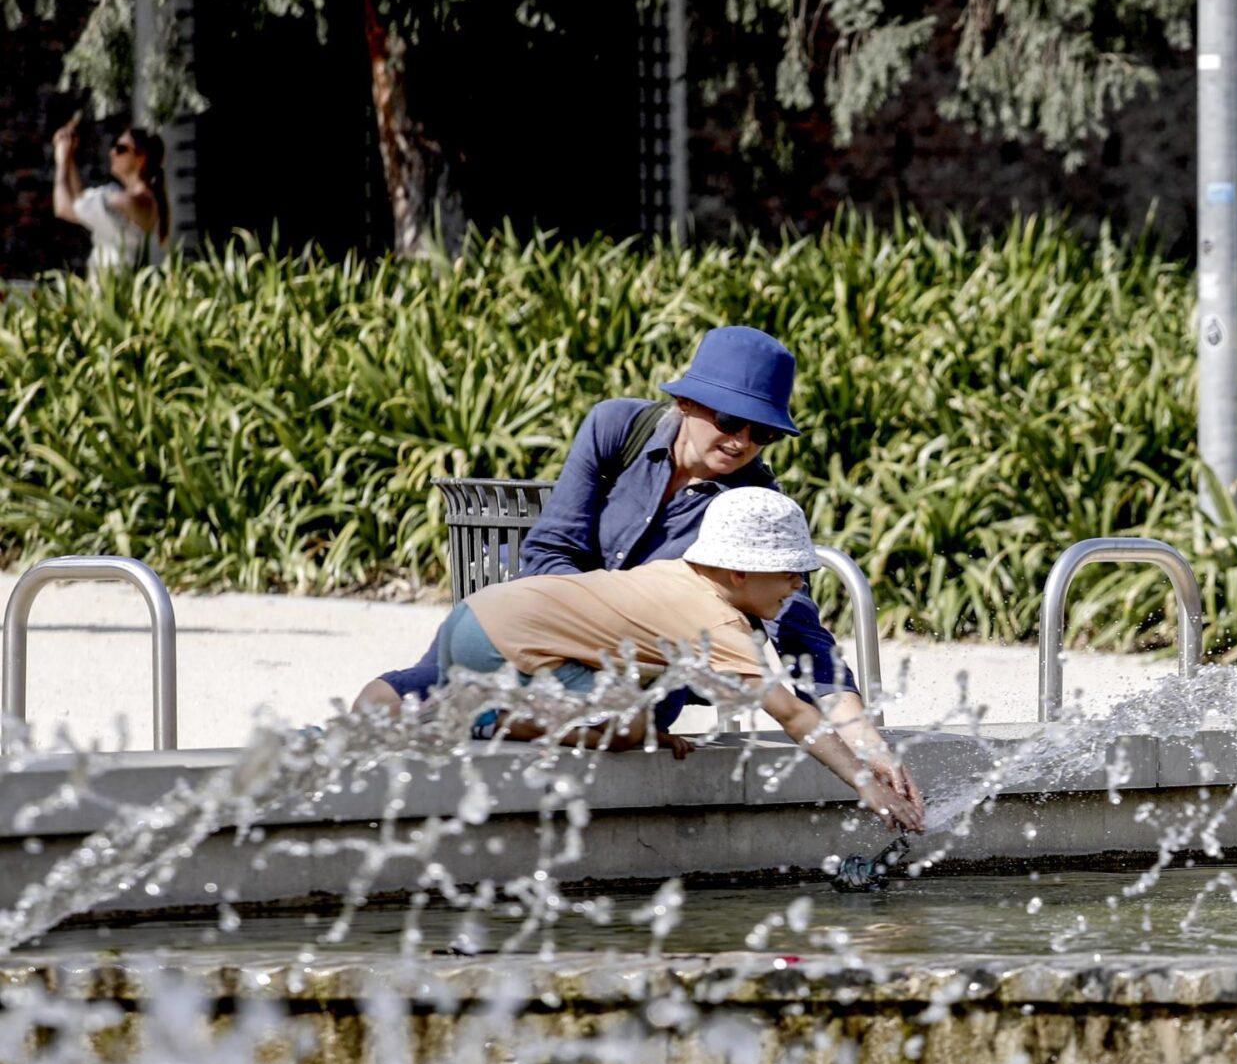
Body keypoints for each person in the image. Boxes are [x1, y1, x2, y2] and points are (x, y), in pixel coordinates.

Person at [356, 326, 851, 717]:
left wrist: (849, 719)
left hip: (642, 665)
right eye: (728, 421)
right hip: (556, 622)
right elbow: (549, 551)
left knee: (652, 707)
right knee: (424, 685)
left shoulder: (756, 502)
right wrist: (595, 619)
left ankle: (481, 716)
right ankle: (330, 750)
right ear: (686, 404)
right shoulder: (618, 429)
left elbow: (795, 620)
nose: (742, 440)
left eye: (762, 431)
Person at [434, 486, 926, 831]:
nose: (799, 585)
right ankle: (488, 720)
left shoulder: (677, 575)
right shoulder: (716, 619)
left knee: (638, 717)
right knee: (628, 727)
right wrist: (866, 785)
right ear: (739, 573)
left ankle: (447, 704)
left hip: (478, 613)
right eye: (790, 573)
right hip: (496, 641)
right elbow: (795, 715)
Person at [51, 113, 166, 274]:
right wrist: (69, 156)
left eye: (121, 149)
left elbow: (63, 208)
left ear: (141, 159)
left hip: (113, 291)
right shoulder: (142, 199)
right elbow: (80, 200)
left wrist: (62, 160)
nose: (112, 152)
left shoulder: (124, 200)